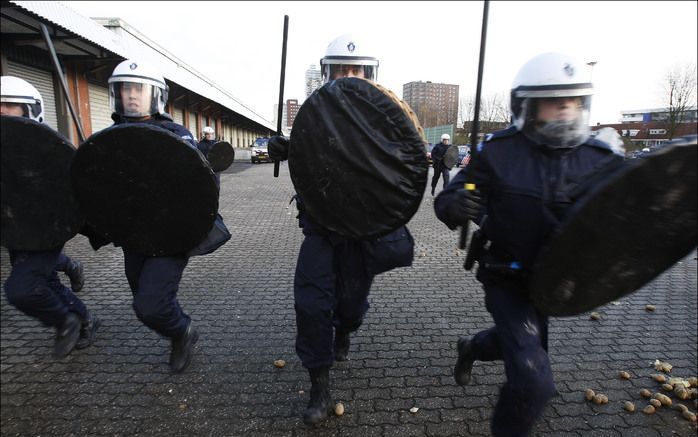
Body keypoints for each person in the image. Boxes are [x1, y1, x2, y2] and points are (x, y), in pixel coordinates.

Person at [434, 52, 623, 436]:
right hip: (506, 275)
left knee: (519, 347)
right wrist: (458, 202)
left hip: (557, 281)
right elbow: (452, 195)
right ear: (529, 106)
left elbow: (637, 205)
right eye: (556, 102)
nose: (566, 110)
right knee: (534, 380)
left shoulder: (599, 157)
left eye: (573, 102)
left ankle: (471, 347)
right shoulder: (498, 151)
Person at [268, 34, 414, 426]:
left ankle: (345, 330)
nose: (349, 76)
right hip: (322, 228)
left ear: (369, 73)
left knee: (350, 308)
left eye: (356, 69)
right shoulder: (316, 114)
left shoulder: (390, 117)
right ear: (327, 73)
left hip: (365, 232)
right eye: (341, 69)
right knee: (311, 305)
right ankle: (319, 385)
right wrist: (286, 147)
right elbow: (308, 156)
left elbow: (405, 169)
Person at [92, 59, 229, 373]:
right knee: (144, 301)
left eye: (138, 88)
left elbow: (201, 183)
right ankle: (176, 328)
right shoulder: (109, 137)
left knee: (150, 304)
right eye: (125, 88)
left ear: (155, 94)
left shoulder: (176, 135)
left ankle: (182, 332)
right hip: (134, 236)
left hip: (172, 234)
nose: (131, 95)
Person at [1, 75, 99, 359]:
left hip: (46, 229)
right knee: (47, 282)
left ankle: (65, 320)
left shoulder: (48, 150)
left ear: (30, 110)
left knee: (22, 288)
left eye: (9, 104)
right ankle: (85, 315)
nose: (2, 110)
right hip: (14, 229)